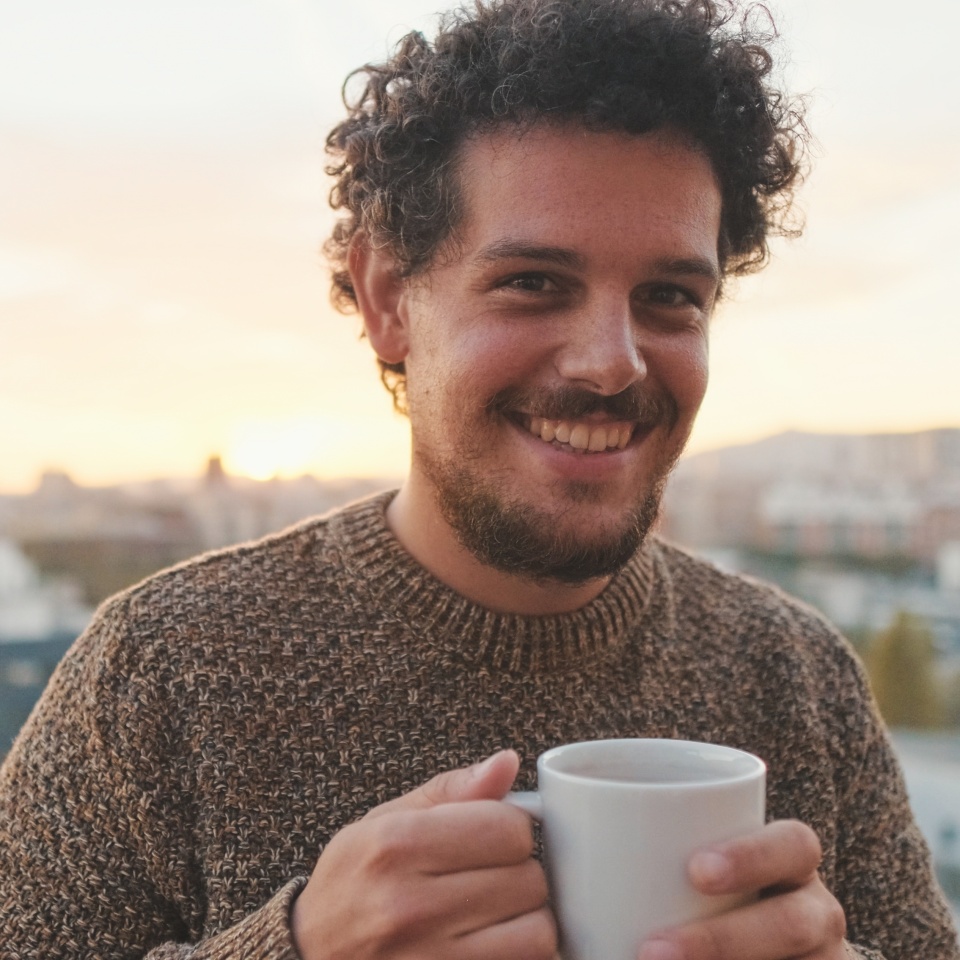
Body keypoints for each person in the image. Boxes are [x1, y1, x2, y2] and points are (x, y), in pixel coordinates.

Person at [1, 0, 957, 957]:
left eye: (670, 297)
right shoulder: (161, 674)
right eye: (533, 282)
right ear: (387, 301)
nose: (611, 362)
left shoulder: (798, 680)